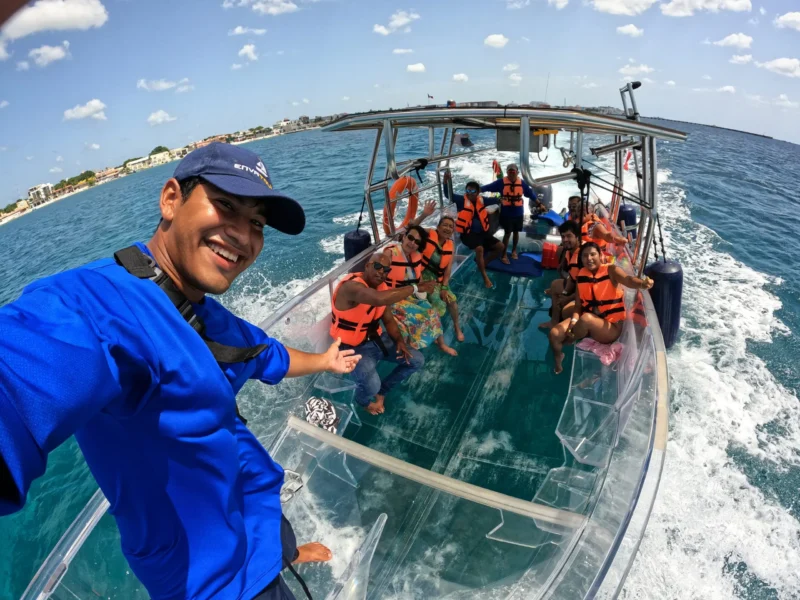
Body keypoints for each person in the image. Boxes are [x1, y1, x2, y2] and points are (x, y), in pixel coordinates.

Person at [0, 143, 363, 600]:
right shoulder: (98, 306)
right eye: (226, 205)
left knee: (278, 538)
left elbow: (267, 355)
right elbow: (17, 377)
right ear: (171, 199)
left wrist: (327, 360)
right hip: (217, 582)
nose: (243, 235)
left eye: (256, 223)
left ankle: (284, 553)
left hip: (258, 521)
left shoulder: (203, 313)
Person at [331, 252, 427, 415]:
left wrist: (399, 341)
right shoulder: (351, 287)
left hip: (377, 341)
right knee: (371, 385)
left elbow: (388, 320)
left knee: (417, 360)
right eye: (377, 267)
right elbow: (378, 299)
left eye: (386, 270)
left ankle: (382, 391)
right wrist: (416, 288)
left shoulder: (381, 288)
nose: (381, 272)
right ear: (367, 266)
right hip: (353, 348)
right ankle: (363, 401)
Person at [548, 242, 654, 374]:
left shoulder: (611, 271)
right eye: (585, 256)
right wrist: (573, 322)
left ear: (600, 255)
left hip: (611, 327)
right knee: (554, 334)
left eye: (593, 254)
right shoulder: (582, 275)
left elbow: (628, 280)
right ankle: (559, 357)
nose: (589, 259)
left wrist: (642, 284)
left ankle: (570, 339)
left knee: (586, 319)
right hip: (589, 320)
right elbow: (578, 306)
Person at [383, 225, 458, 356]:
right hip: (392, 297)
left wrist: (427, 286)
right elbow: (380, 275)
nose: (412, 243)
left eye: (417, 242)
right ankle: (409, 351)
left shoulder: (416, 256)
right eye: (410, 238)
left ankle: (441, 344)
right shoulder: (390, 253)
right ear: (404, 237)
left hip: (409, 295)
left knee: (432, 311)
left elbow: (418, 278)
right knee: (414, 317)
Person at [440, 171, 504, 289]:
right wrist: (445, 181)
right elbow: (448, 195)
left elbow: (497, 200)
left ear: (478, 192)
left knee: (500, 247)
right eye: (467, 191)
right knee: (479, 249)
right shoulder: (461, 200)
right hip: (468, 234)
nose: (469, 193)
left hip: (483, 233)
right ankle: (484, 276)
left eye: (472, 191)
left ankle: (483, 264)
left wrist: (503, 199)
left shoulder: (482, 200)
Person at [479, 163, 546, 264]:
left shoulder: (522, 183)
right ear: (507, 173)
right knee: (507, 233)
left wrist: (540, 204)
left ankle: (514, 251)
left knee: (516, 232)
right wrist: (475, 190)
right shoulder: (501, 182)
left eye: (513, 172)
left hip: (518, 212)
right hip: (506, 213)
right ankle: (504, 254)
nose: (511, 174)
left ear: (517, 172)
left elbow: (531, 195)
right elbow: (487, 187)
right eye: (509, 172)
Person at [539, 220, 581, 330]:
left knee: (566, 311)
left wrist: (567, 298)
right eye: (563, 237)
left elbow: (584, 288)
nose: (565, 239)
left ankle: (569, 326)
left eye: (569, 236)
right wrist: (564, 293)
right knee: (555, 285)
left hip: (586, 295)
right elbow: (572, 279)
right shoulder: (569, 251)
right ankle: (554, 322)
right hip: (575, 287)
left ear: (577, 236)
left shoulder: (582, 256)